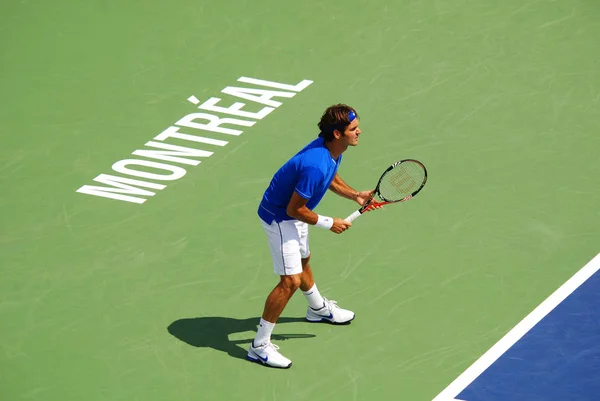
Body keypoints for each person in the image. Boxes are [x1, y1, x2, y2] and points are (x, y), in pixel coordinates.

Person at [247, 104, 376, 369]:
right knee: (290, 281)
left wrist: (355, 195)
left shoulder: (331, 149)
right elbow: (293, 209)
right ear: (338, 134)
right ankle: (259, 346)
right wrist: (330, 223)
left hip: (296, 214)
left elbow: (332, 176)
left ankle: (317, 309)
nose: (358, 131)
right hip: (281, 218)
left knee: (304, 259)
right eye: (353, 129)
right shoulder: (315, 165)